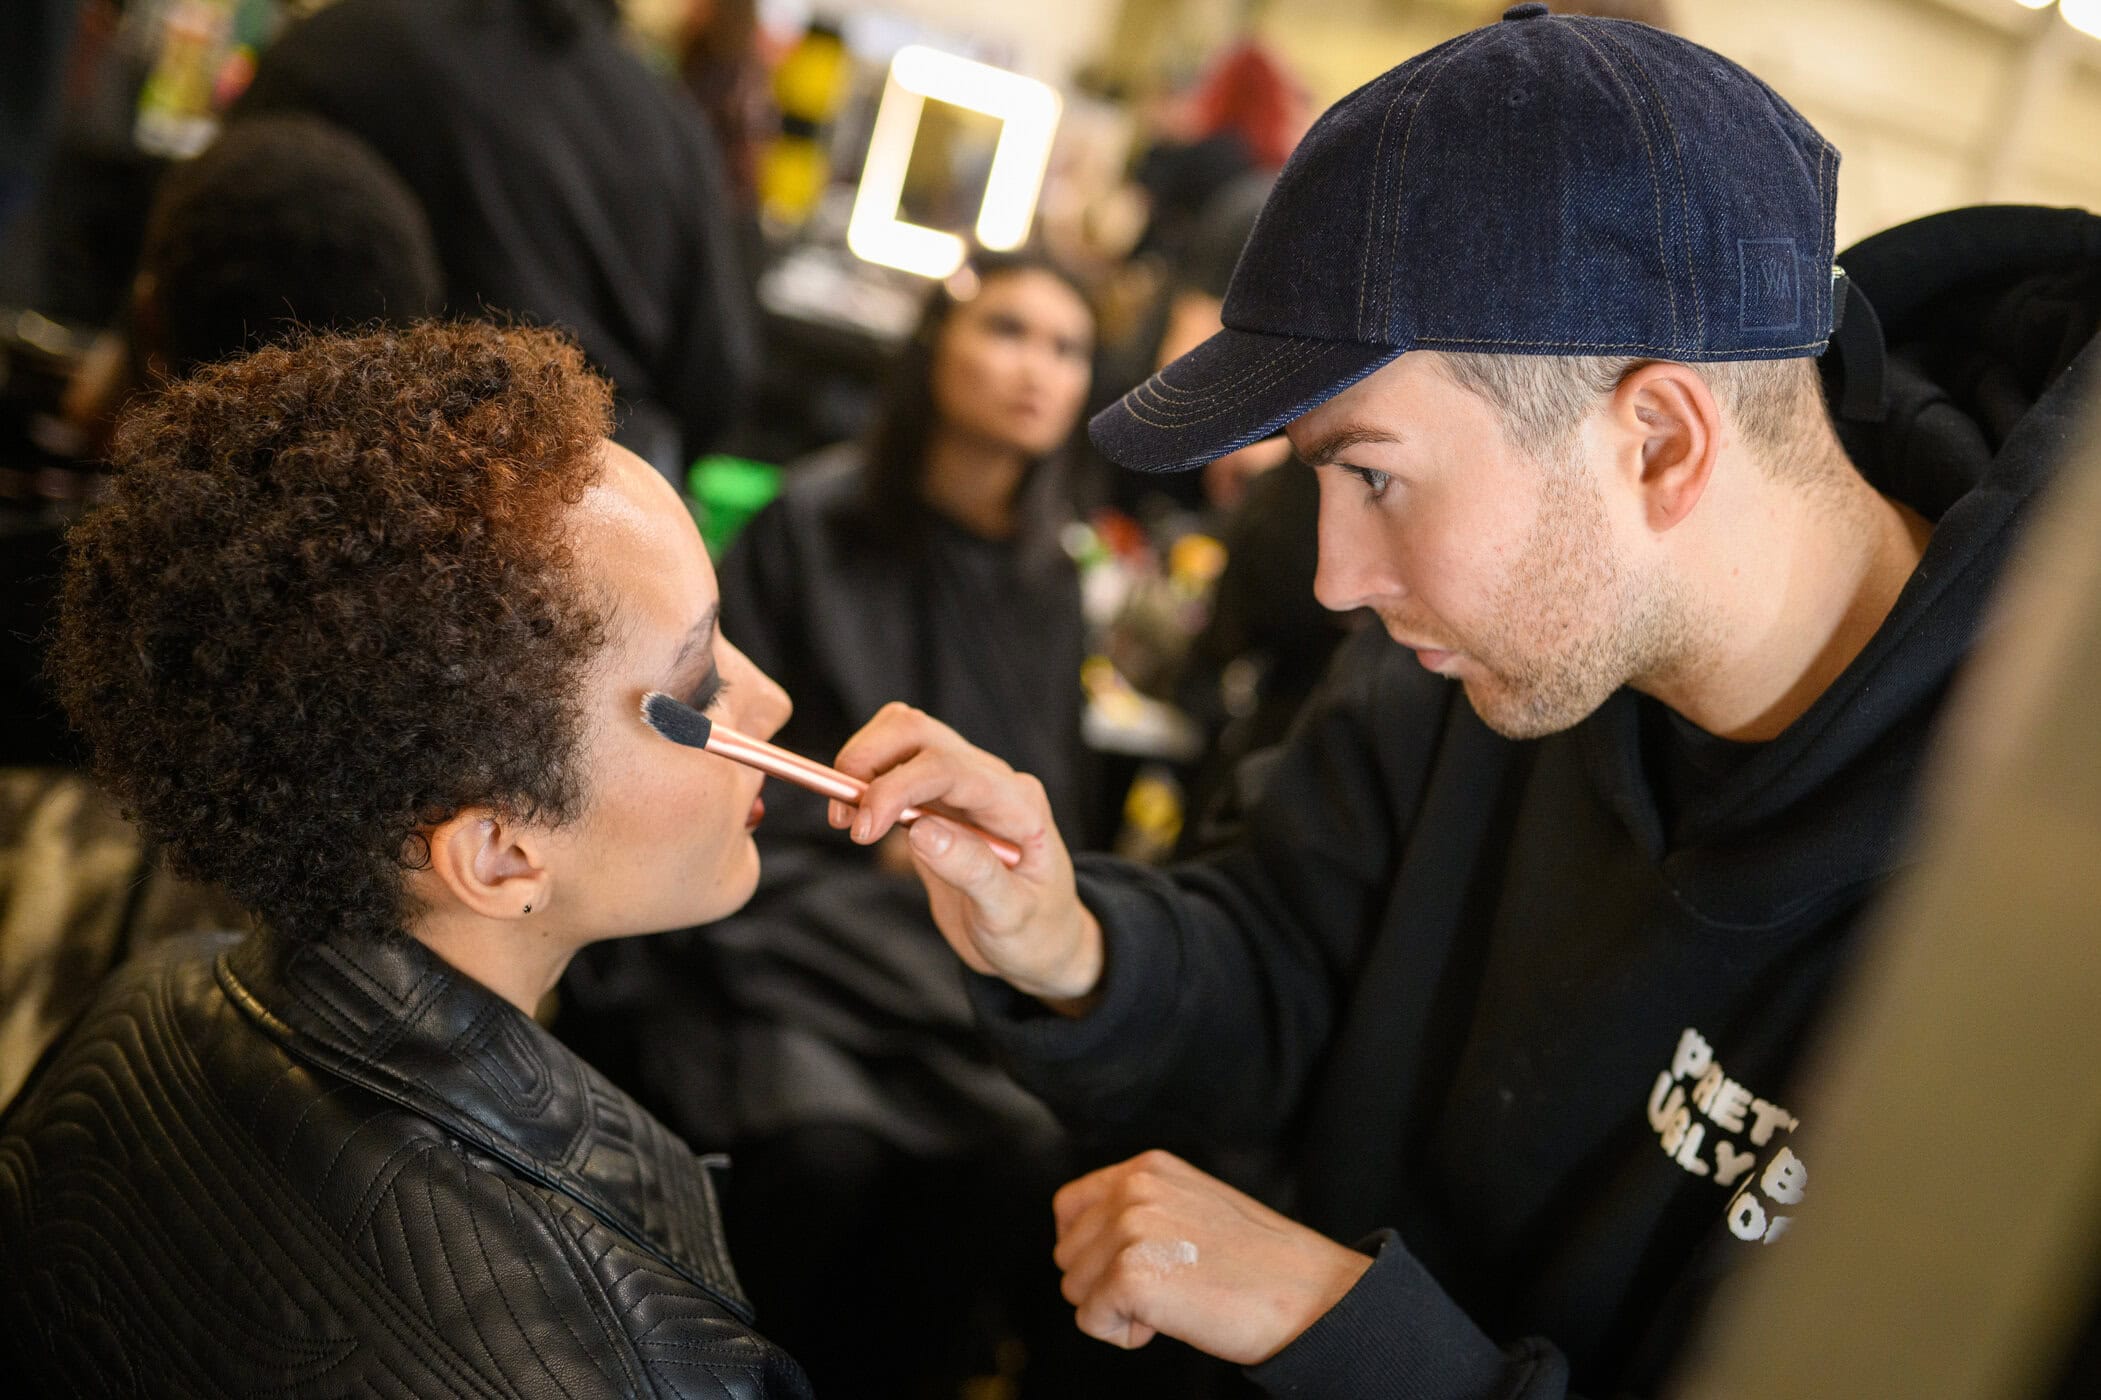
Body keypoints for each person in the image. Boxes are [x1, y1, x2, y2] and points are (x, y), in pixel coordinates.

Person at [822, 8, 2101, 1398]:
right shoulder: (1477, 660)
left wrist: (1341, 1325)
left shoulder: (2028, 944)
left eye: (1373, 474)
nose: (1329, 579)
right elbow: (1290, 962)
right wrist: (1075, 943)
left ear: (1659, 442)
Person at [0, 321, 812, 1397]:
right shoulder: (623, 1363)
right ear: (498, 851)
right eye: (702, 686)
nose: (775, 702)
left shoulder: (143, 1005)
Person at [558, 252, 1108, 1396]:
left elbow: (1055, 795)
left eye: (1065, 347)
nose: (1035, 369)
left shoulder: (1050, 584)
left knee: (1017, 1152)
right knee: (823, 1147)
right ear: (934, 347)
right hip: (790, 905)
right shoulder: (812, 521)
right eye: (1008, 330)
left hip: (941, 938)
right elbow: (721, 743)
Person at [234, 0, 758, 480]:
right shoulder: (668, 127)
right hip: (585, 513)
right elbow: (716, 385)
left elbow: (215, 260)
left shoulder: (336, 49)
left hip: (334, 489)